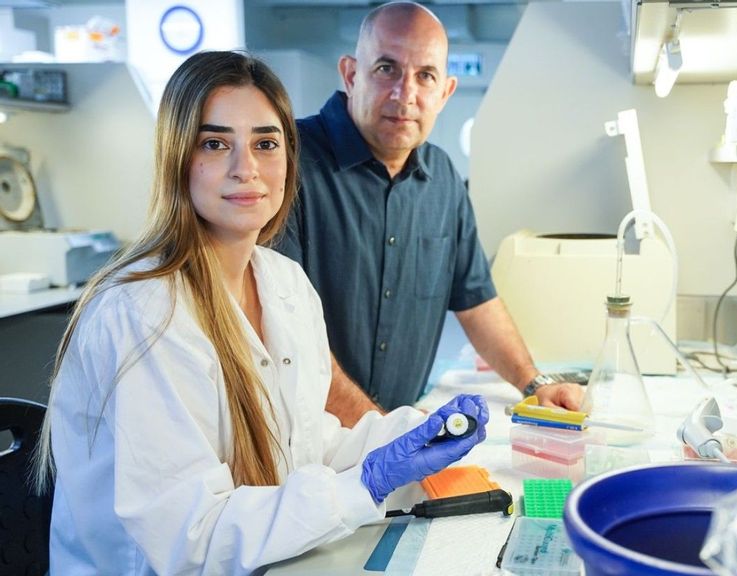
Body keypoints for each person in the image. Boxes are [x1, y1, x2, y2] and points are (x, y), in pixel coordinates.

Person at [34, 51, 488, 575]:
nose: (245, 168)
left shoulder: (284, 282)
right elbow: (190, 537)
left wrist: (410, 436)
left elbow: (303, 441)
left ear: (290, 160)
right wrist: (364, 484)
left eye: (265, 144)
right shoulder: (144, 312)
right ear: (177, 158)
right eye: (215, 143)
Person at [277, 1, 583, 425]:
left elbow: (476, 301)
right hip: (304, 435)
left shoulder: (442, 178)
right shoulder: (287, 162)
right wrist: (384, 430)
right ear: (350, 74)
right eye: (387, 68)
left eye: (425, 76)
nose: (405, 95)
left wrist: (534, 384)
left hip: (394, 428)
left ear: (445, 92)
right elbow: (284, 332)